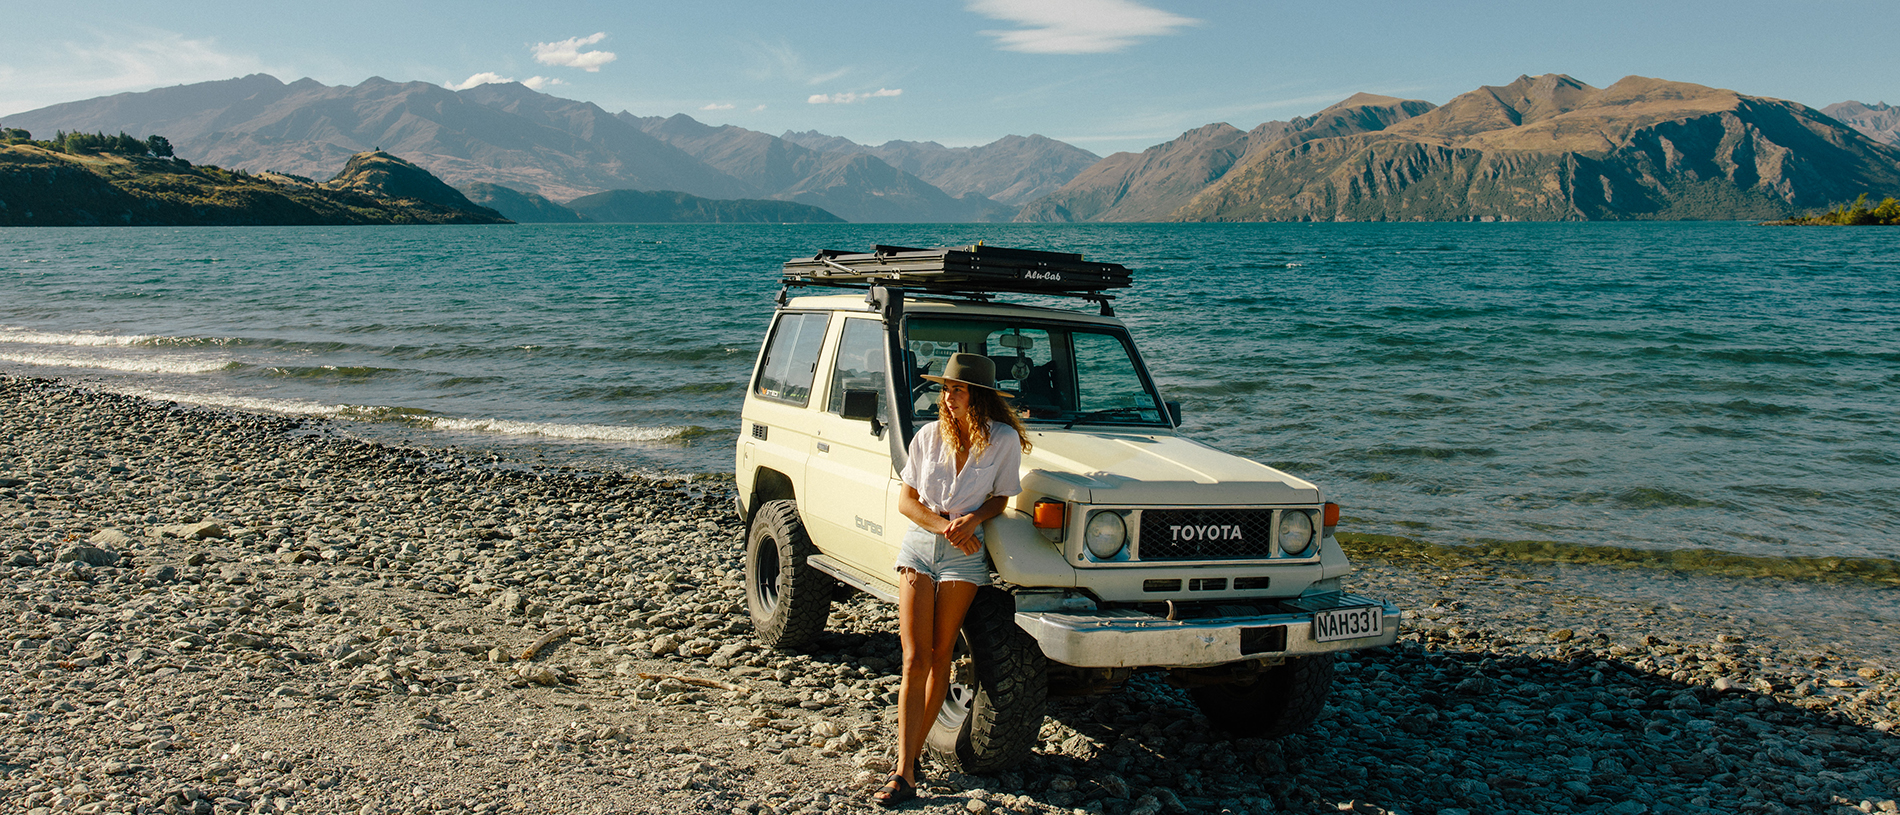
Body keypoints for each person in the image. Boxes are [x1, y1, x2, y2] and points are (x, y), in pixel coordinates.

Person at [874, 353, 1032, 808]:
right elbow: (907, 501)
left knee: (942, 654)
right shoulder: (927, 436)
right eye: (944, 389)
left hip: (966, 555)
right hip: (922, 544)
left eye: (955, 390)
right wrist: (945, 527)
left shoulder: (1002, 440)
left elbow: (1001, 499)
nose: (946, 397)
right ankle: (904, 771)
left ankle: (911, 758)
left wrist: (973, 520)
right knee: (912, 658)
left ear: (977, 395)